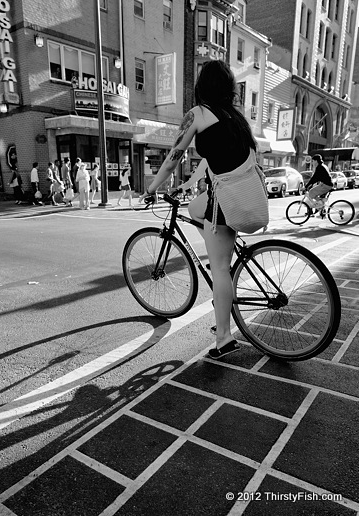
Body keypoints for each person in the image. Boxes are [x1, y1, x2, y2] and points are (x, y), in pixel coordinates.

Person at [139, 60, 259, 361]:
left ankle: (223, 338)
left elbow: (172, 158)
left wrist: (152, 188)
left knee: (220, 269)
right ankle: (216, 245)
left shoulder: (199, 113)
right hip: (244, 196)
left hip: (224, 202)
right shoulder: (237, 119)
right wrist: (192, 184)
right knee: (194, 208)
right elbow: (215, 161)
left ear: (202, 87)